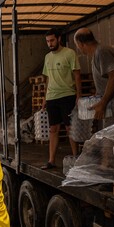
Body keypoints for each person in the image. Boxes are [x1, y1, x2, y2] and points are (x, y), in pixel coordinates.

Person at [41, 28, 82, 170]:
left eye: (52, 40)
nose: (50, 44)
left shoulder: (70, 53)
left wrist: (79, 95)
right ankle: (51, 161)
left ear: (59, 39)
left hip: (67, 95)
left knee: (70, 128)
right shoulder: (47, 57)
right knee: (53, 128)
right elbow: (47, 79)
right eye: (47, 41)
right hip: (52, 97)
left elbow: (77, 75)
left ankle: (76, 158)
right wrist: (45, 97)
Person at [74, 28, 114, 127]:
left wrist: (103, 102)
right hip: (109, 105)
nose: (79, 49)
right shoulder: (97, 53)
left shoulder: (101, 52)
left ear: (81, 44)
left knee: (113, 139)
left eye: (78, 46)